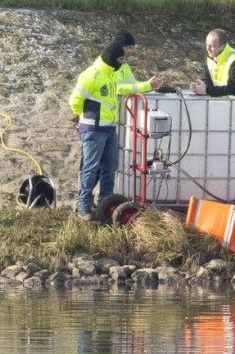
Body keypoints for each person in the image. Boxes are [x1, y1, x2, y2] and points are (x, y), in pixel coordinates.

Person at [71, 31, 165, 216]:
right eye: (127, 50)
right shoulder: (91, 75)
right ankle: (83, 207)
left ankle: (105, 205)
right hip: (93, 129)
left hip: (109, 128)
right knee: (90, 168)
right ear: (114, 57)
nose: (127, 58)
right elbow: (75, 99)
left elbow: (128, 87)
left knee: (110, 167)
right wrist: (81, 118)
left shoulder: (115, 73)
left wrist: (148, 86)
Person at [191, 29, 235, 204]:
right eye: (206, 45)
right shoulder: (210, 57)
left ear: (222, 46)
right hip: (225, 113)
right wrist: (200, 86)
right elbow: (207, 80)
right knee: (220, 152)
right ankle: (224, 193)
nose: (208, 49)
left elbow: (234, 89)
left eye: (212, 46)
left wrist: (208, 91)